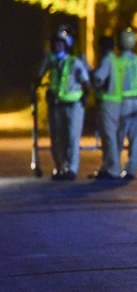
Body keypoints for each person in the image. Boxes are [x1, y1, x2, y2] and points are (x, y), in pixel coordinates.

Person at [35, 28, 90, 181]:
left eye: (60, 43)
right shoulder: (51, 62)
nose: (57, 46)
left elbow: (86, 82)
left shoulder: (74, 62)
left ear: (66, 45)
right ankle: (60, 168)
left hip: (74, 105)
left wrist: (86, 96)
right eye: (55, 44)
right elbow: (39, 77)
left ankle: (71, 169)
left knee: (72, 137)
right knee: (57, 139)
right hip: (56, 105)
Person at [116, 28, 137, 180]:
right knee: (134, 139)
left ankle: (114, 167)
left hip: (122, 102)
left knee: (118, 137)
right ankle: (132, 170)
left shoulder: (117, 61)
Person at [90, 35, 121, 180]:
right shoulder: (116, 60)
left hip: (107, 102)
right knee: (111, 136)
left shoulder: (106, 60)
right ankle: (107, 166)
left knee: (108, 137)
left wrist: (88, 71)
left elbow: (98, 78)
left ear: (101, 48)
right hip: (117, 102)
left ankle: (112, 169)